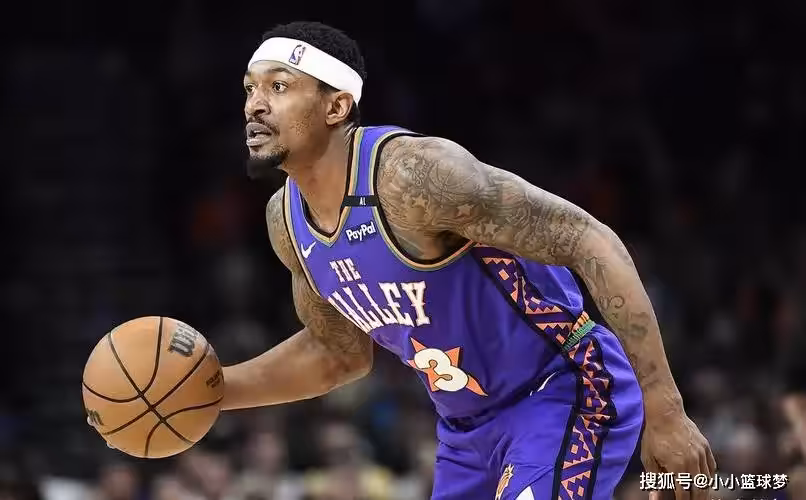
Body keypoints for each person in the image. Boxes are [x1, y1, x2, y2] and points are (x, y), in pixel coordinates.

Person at [230, 21, 717, 499]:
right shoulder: (286, 222)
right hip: (464, 433)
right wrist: (213, 392)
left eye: (278, 86)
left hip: (561, 389)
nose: (255, 104)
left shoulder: (413, 177)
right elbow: (338, 354)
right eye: (250, 89)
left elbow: (591, 242)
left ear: (336, 106)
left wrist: (666, 410)